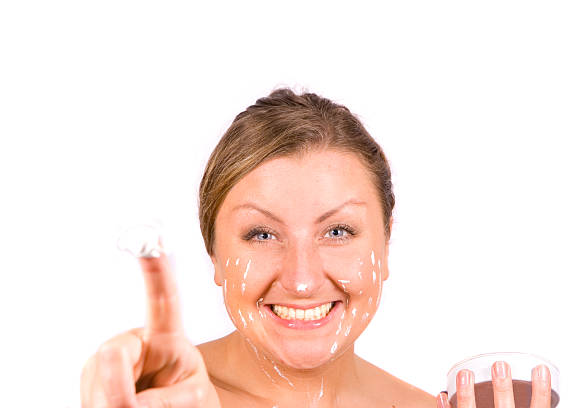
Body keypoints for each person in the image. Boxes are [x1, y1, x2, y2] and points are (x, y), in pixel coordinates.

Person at [80, 89, 553, 408]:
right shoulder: (155, 398)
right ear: (215, 254)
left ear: (386, 244)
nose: (302, 279)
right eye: (262, 234)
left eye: (338, 232)